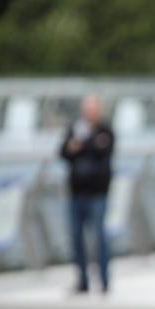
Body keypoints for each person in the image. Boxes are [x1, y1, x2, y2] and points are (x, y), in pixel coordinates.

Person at [59, 94, 114, 294]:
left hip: (97, 193)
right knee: (76, 237)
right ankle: (82, 280)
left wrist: (81, 145)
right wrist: (88, 144)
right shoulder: (75, 128)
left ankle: (105, 281)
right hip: (76, 193)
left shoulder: (105, 129)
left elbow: (103, 150)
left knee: (99, 237)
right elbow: (64, 152)